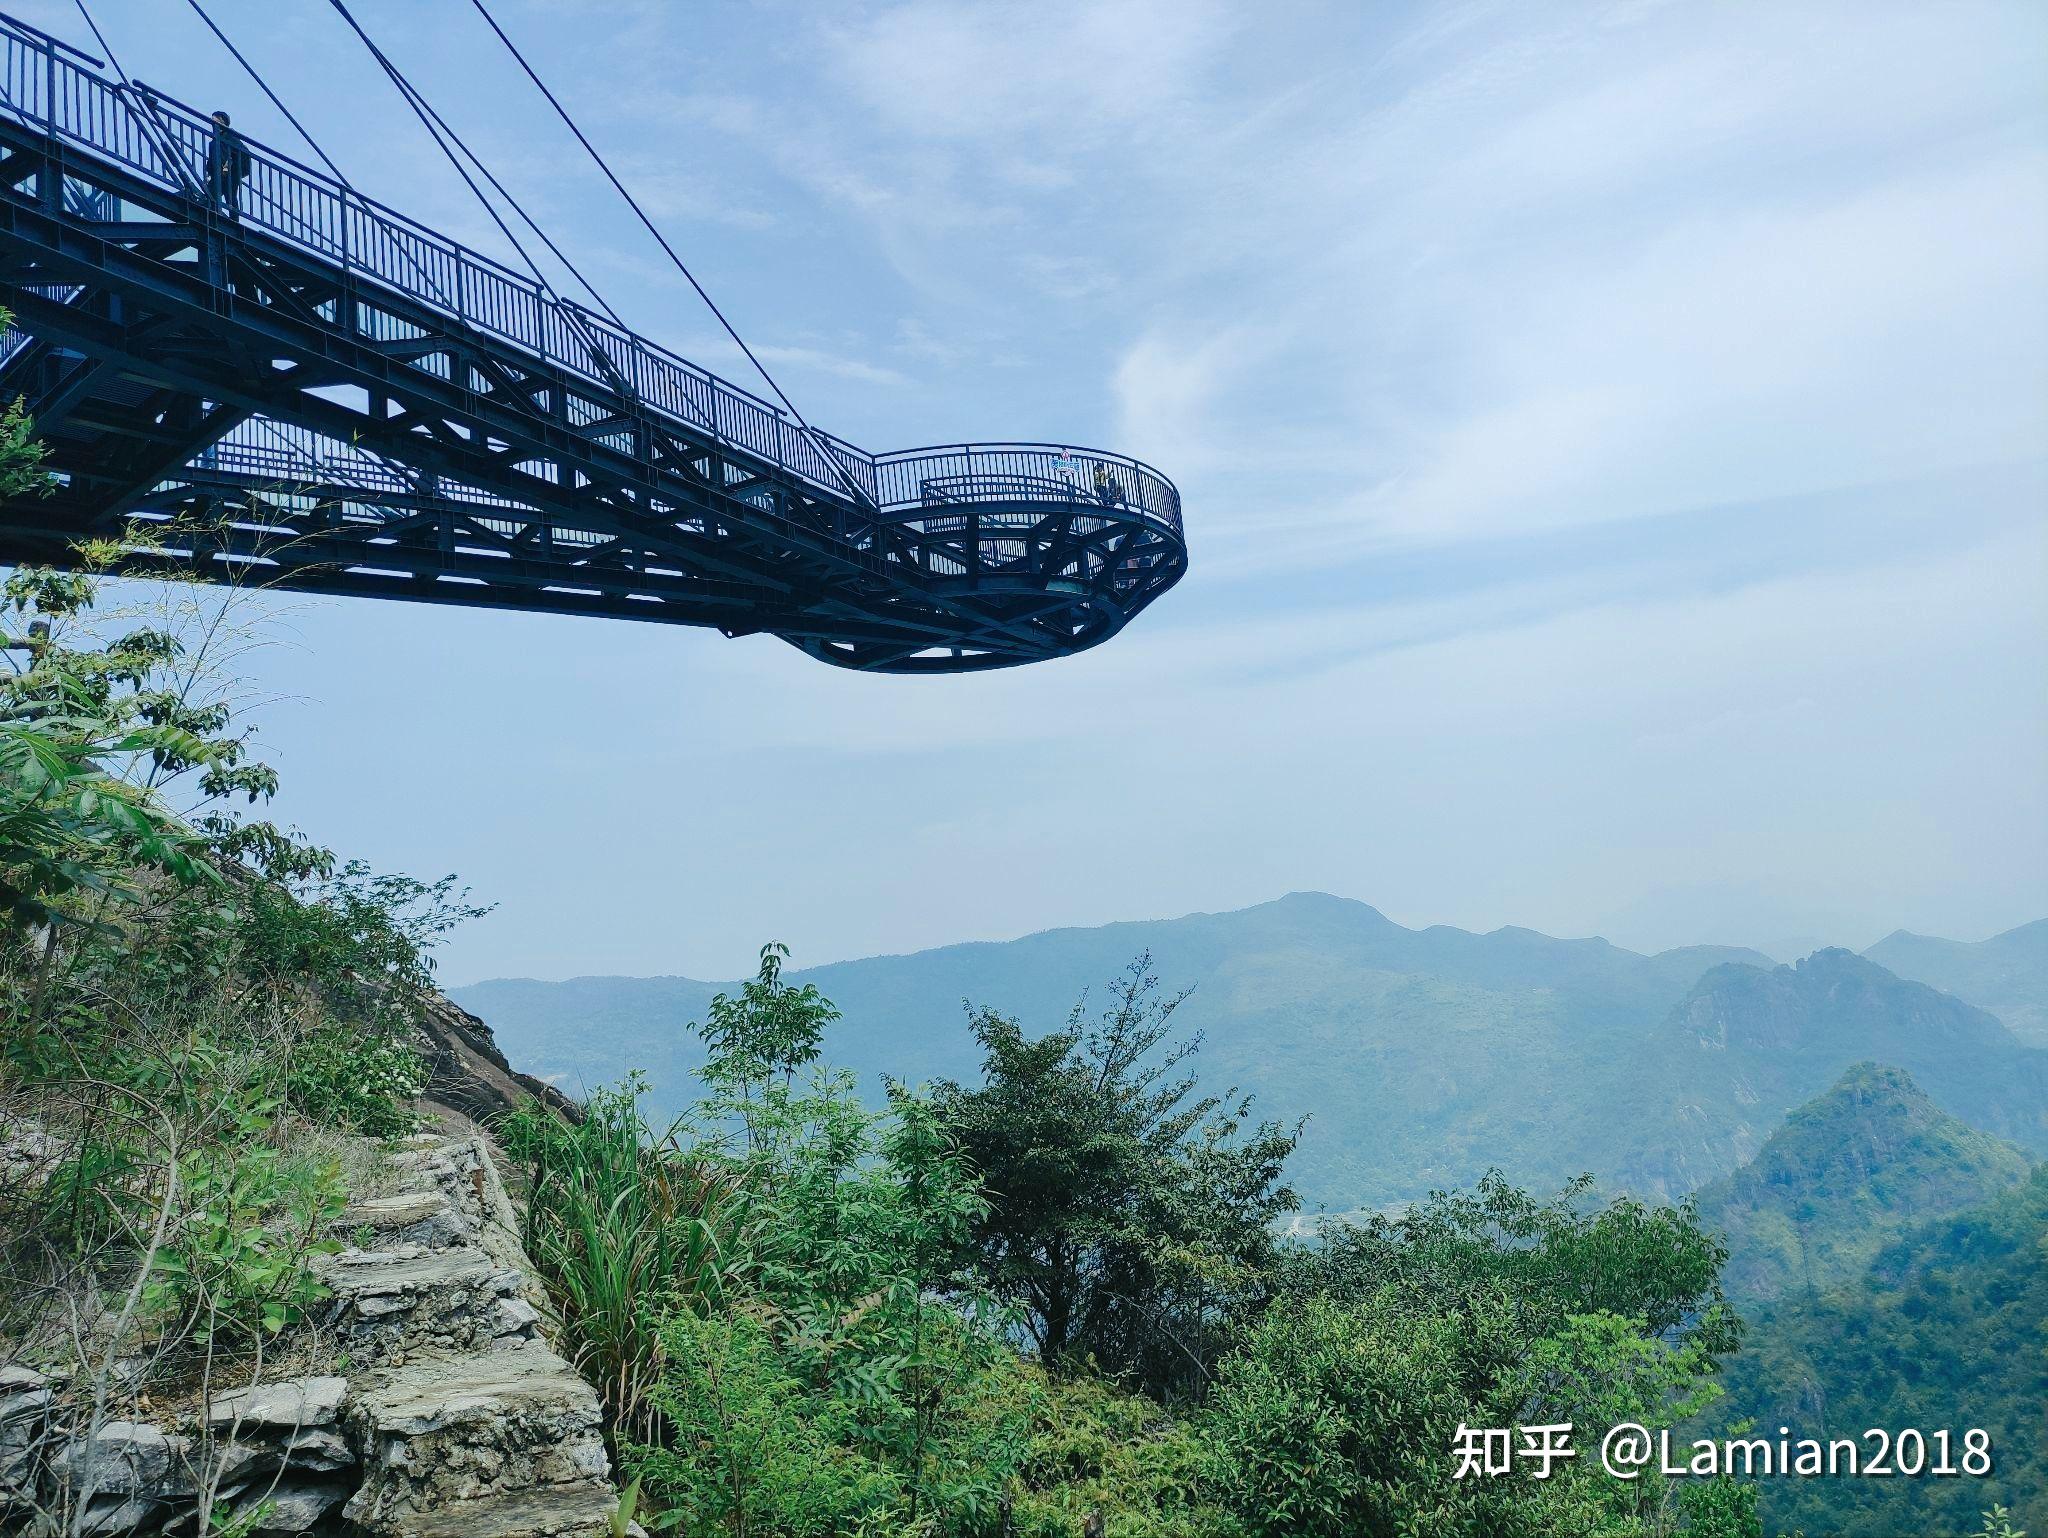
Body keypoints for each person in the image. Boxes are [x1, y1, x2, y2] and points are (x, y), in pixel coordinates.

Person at [206, 110, 250, 220]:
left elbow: (238, 155)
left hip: (232, 171)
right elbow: (213, 159)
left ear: (223, 122)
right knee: (212, 192)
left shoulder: (231, 137)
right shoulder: (215, 141)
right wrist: (209, 171)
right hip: (221, 171)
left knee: (229, 194)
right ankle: (212, 214)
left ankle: (234, 221)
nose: (213, 124)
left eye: (216, 121)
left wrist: (227, 167)